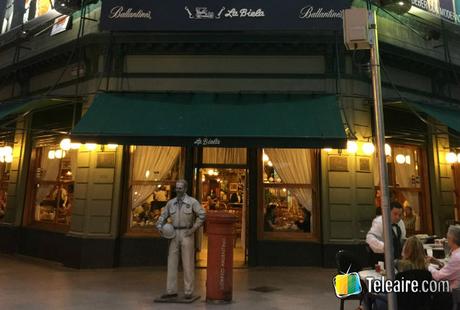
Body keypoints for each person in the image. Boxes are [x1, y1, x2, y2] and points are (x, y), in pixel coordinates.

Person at [156, 180, 206, 300]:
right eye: (176, 188)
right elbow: (163, 216)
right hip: (173, 233)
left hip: (187, 233)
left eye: (180, 188)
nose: (177, 190)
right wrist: (160, 227)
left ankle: (188, 291)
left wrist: (194, 228)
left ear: (185, 189)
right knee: (172, 262)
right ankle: (171, 290)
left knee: (188, 262)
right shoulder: (170, 203)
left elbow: (202, 215)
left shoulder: (192, 202)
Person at [428, 225, 460, 290]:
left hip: (453, 294)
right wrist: (439, 263)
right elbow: (452, 270)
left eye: (447, 236)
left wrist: (427, 265)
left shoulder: (457, 257)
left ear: (451, 238)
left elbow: (438, 276)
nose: (446, 239)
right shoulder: (456, 253)